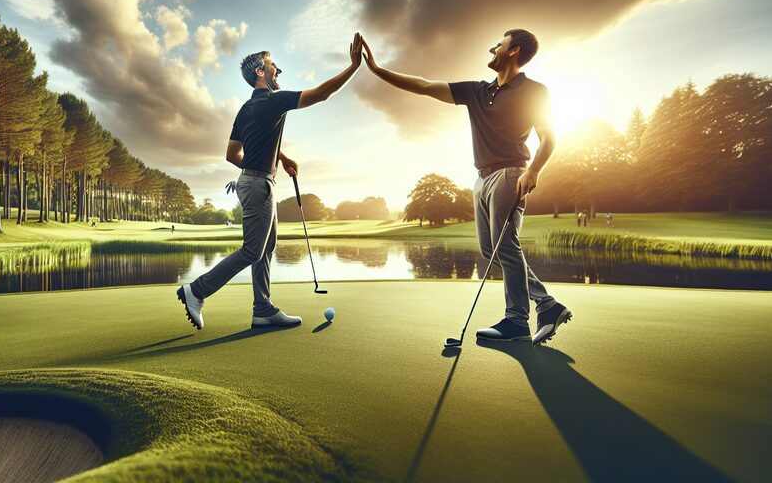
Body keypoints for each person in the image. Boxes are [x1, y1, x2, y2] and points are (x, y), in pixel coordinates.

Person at [359, 29, 571, 345]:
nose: (492, 46)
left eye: (499, 43)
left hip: (510, 174)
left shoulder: (534, 90)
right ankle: (547, 304)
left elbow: (549, 137)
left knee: (506, 246)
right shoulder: (477, 91)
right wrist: (377, 70)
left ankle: (516, 320)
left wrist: (535, 170)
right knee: (491, 249)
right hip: (481, 180)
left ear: (513, 51)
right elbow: (424, 86)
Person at [176, 34, 364, 330]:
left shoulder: (247, 109)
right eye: (273, 65)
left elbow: (232, 154)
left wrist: (279, 159)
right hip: (258, 184)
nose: (279, 70)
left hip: (256, 182)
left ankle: (262, 309)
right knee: (253, 249)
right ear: (260, 72)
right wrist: (353, 67)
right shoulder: (275, 101)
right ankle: (196, 291)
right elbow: (322, 94)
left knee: (266, 247)